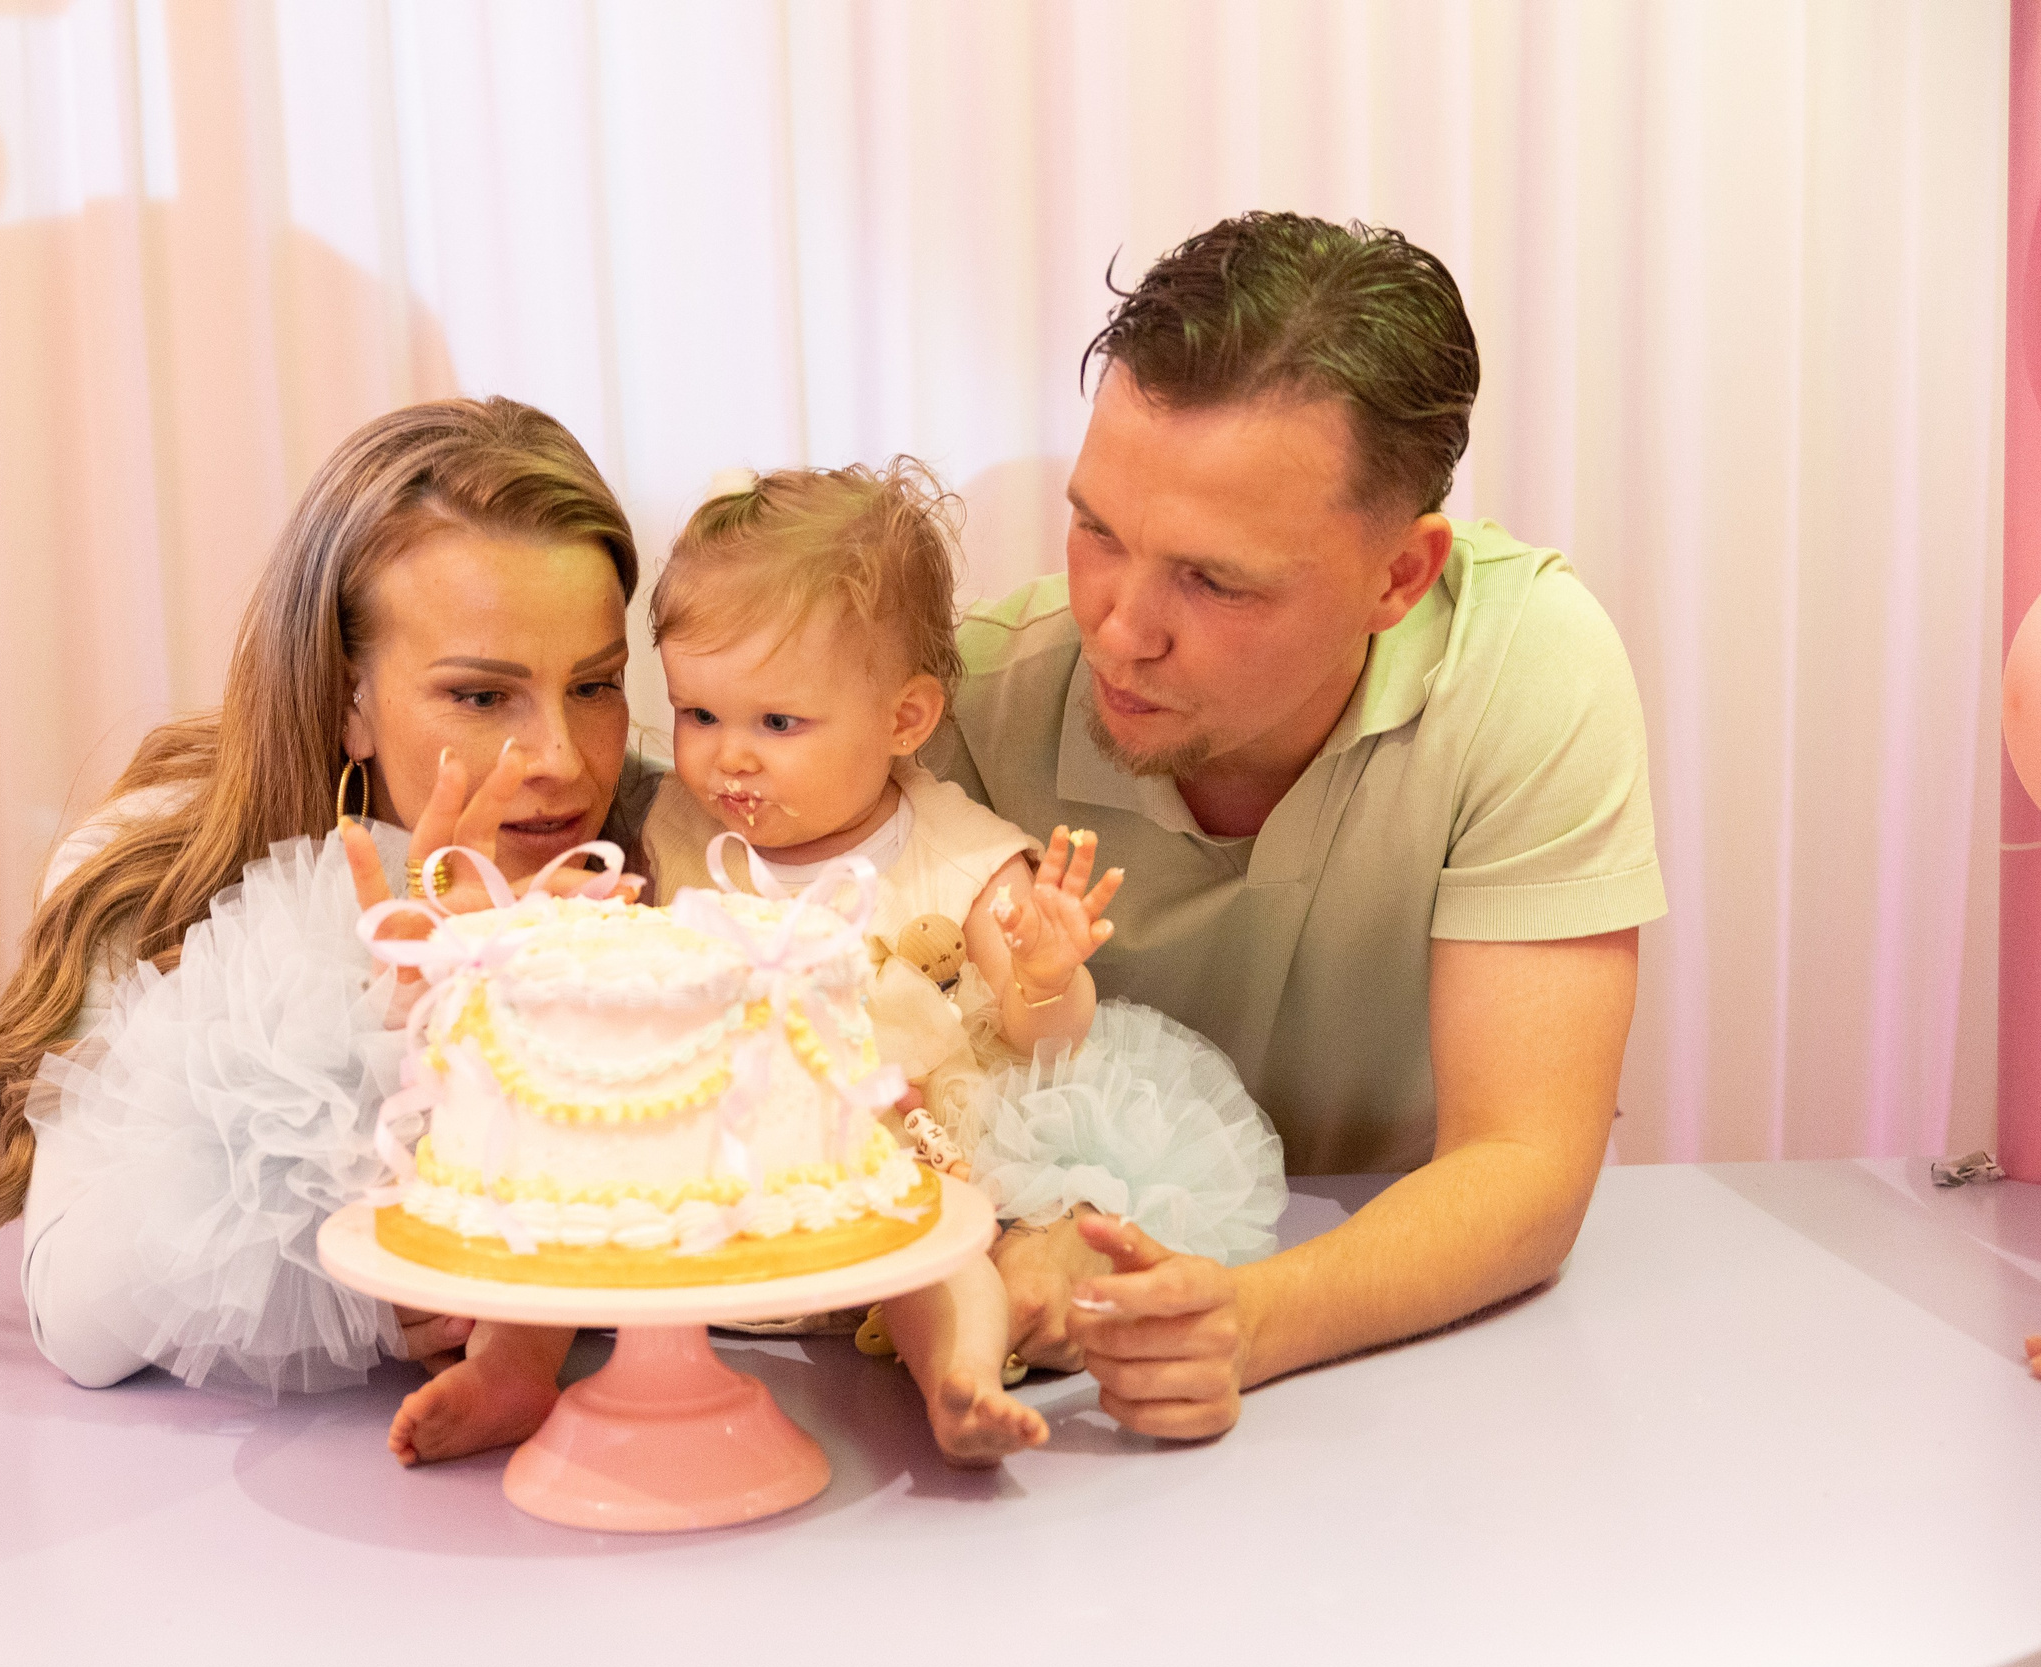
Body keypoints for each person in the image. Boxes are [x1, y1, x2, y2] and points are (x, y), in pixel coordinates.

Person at [921, 212, 1667, 1439]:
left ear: (1399, 579)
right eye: (1098, 531)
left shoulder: (1529, 668)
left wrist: (1247, 1320)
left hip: (1413, 1364)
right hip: (1054, 1369)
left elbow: (1524, 1167)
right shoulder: (977, 698)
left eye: (1214, 580)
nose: (1118, 626)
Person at [0, 396, 660, 1466]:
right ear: (346, 698)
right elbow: (79, 1318)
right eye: (483, 697)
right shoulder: (149, 873)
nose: (564, 761)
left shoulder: (667, 845)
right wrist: (386, 1011)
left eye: (594, 685)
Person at [634, 460, 1284, 1464]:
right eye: (698, 715)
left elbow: (1050, 1042)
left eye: (777, 723)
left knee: (945, 1266)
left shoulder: (958, 851)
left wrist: (1043, 974)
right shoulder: (678, 829)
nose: (729, 758)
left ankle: (961, 1385)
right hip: (737, 1160)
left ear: (904, 719)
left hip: (909, 1158)